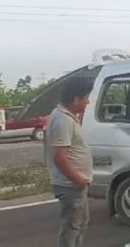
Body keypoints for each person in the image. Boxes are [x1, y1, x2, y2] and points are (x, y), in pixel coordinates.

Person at [45, 78, 94, 247]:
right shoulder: (62, 120)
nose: (88, 102)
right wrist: (78, 180)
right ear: (75, 99)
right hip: (70, 185)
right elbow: (60, 157)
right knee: (72, 228)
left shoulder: (67, 117)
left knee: (80, 225)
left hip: (75, 184)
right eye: (86, 97)